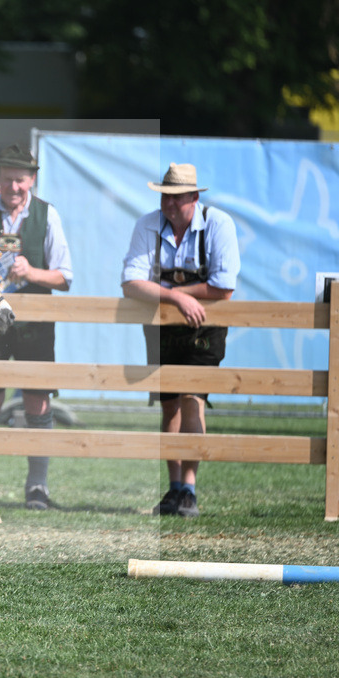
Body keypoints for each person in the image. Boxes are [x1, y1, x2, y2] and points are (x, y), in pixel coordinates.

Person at [0, 143, 73, 511]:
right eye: (7, 180)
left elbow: (65, 277)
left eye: (20, 181)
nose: (14, 187)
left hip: (35, 323)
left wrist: (31, 272)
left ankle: (37, 488)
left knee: (37, 401)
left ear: (32, 180)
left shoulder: (46, 215)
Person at [121, 163, 240, 518]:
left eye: (176, 198)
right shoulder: (147, 224)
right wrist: (179, 299)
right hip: (162, 326)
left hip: (204, 329)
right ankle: (173, 489)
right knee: (168, 403)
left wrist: (173, 293)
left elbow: (224, 287)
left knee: (193, 401)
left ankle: (189, 488)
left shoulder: (218, 224)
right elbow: (129, 283)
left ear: (194, 197)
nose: (169, 205)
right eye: (165, 197)